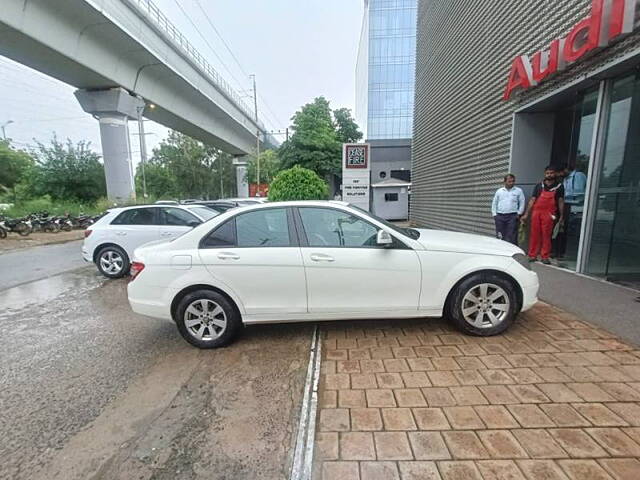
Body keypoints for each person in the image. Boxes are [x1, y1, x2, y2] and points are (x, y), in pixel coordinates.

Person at [522, 166, 565, 264]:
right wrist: (526, 214)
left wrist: (562, 216)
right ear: (545, 174)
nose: (549, 175)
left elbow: (561, 201)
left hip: (549, 214)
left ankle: (545, 256)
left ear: (555, 174)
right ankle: (532, 255)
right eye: (547, 173)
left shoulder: (559, 186)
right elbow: (532, 200)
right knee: (534, 234)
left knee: (546, 235)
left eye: (551, 173)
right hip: (536, 212)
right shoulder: (538, 186)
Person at [554, 166, 587, 258]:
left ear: (565, 170)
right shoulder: (565, 179)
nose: (559, 175)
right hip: (567, 206)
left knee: (574, 232)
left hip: (577, 207)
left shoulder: (578, 176)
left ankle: (573, 254)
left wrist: (563, 194)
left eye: (560, 173)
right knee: (563, 230)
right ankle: (560, 252)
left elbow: (579, 192)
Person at [491, 174, 525, 245]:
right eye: (509, 181)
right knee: (500, 235)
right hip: (500, 216)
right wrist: (495, 215)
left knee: (512, 235)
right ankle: (501, 250)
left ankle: (512, 252)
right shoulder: (499, 191)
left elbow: (522, 202)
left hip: (512, 216)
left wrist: (519, 214)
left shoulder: (518, 191)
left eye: (513, 181)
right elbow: (494, 203)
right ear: (504, 181)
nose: (511, 183)